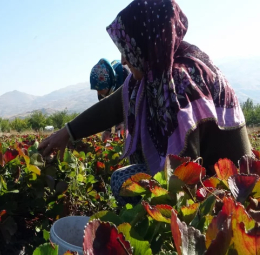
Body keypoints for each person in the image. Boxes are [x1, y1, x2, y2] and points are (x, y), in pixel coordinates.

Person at [38, 0, 252, 206]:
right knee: (131, 176)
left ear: (146, 43)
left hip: (230, 190)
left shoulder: (180, 79)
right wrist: (67, 132)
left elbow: (186, 171)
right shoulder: (156, 71)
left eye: (127, 49)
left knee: (123, 181)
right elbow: (112, 108)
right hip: (204, 175)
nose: (123, 60)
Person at [90, 58, 130, 141]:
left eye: (100, 89)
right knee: (118, 131)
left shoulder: (126, 77)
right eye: (96, 90)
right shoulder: (101, 90)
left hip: (131, 102)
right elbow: (106, 110)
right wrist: (107, 130)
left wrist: (125, 123)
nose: (98, 93)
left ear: (108, 84)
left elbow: (132, 106)